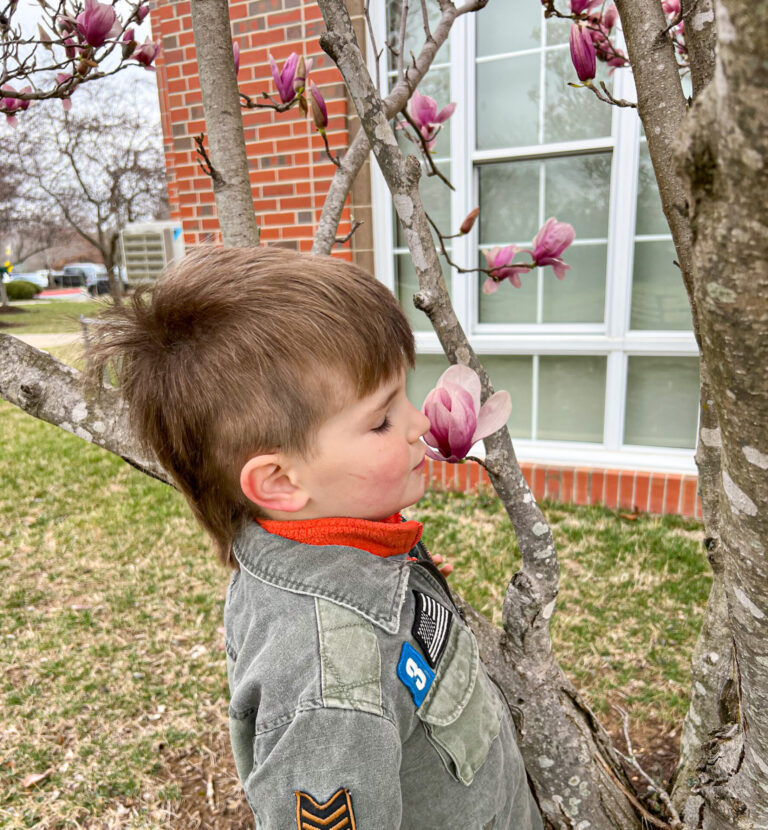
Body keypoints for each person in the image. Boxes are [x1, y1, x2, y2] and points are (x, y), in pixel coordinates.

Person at [87, 246, 543, 830]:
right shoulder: (333, 687)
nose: (420, 422)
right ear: (279, 481)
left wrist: (397, 586)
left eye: (404, 396)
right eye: (380, 420)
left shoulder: (335, 540)